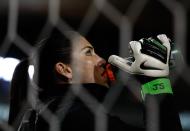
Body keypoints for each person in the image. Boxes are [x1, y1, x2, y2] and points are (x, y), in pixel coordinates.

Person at [9, 28, 182, 131]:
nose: (101, 60)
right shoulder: (73, 117)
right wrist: (155, 81)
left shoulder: (44, 112)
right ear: (66, 70)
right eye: (89, 52)